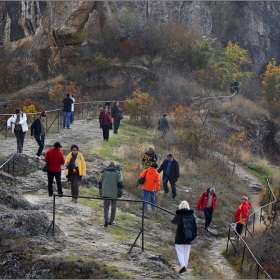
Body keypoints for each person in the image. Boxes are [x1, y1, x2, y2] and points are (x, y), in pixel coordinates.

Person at [171, 200, 198, 274]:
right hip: (189, 236)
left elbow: (173, 222)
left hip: (180, 236)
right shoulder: (192, 214)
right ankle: (185, 267)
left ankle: (183, 266)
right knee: (186, 253)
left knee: (180, 252)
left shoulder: (179, 214)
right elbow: (195, 225)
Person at [98, 161, 124, 227]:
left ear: (109, 166)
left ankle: (106, 220)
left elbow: (100, 183)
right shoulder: (118, 173)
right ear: (115, 166)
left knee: (106, 206)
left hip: (105, 192)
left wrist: (100, 193)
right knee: (113, 207)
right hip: (114, 194)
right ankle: (111, 221)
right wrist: (120, 193)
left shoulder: (104, 172)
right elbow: (120, 184)